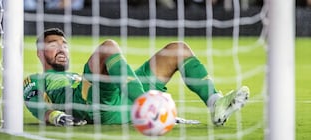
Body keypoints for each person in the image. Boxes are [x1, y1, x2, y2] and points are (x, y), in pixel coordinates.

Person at [23, 28, 250, 126]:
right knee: (107, 48)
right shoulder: (35, 79)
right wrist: (57, 117)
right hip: (93, 102)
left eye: (64, 44)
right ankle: (150, 105)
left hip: (124, 96)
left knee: (177, 49)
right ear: (40, 53)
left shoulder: (74, 74)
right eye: (53, 45)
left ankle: (215, 102)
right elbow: (36, 104)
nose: (62, 49)